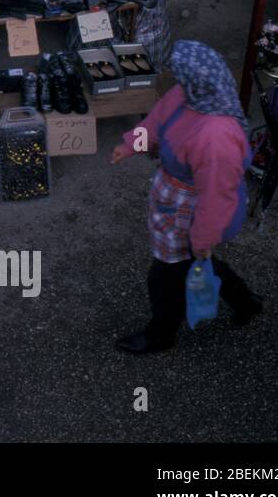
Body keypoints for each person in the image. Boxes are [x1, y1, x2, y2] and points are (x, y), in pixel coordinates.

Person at [110, 40, 262, 353]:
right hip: (173, 196)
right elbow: (156, 121)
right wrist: (131, 144)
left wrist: (204, 238)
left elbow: (215, 198)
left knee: (165, 273)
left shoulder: (216, 136)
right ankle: (245, 302)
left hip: (187, 206)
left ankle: (161, 334)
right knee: (192, 261)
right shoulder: (187, 93)